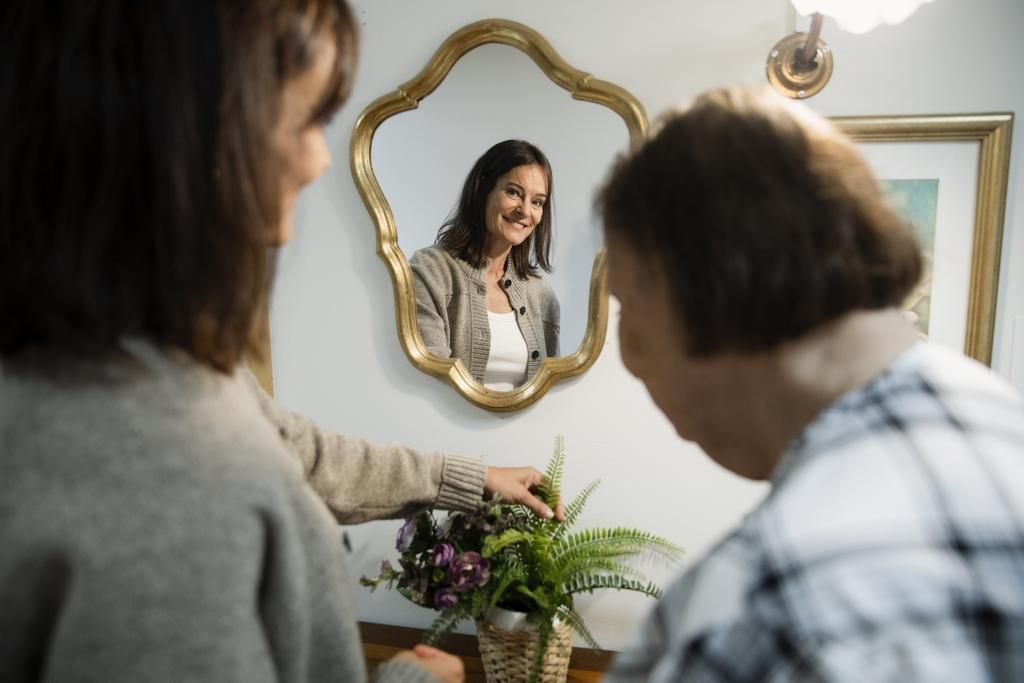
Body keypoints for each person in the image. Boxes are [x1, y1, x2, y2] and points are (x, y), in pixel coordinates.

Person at [0, 2, 556, 681]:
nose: (320, 160)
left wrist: (473, 479)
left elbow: (306, 453)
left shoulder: (150, 366)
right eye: (304, 119)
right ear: (182, 133)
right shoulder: (172, 484)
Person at [596, 87, 1024, 681]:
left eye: (624, 302)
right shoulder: (994, 410)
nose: (629, 358)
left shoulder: (760, 611)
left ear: (702, 288)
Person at [410, 140, 560, 391]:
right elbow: (432, 387)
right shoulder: (429, 271)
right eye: (513, 192)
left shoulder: (542, 295)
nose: (525, 211)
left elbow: (548, 394)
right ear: (482, 188)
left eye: (537, 202)